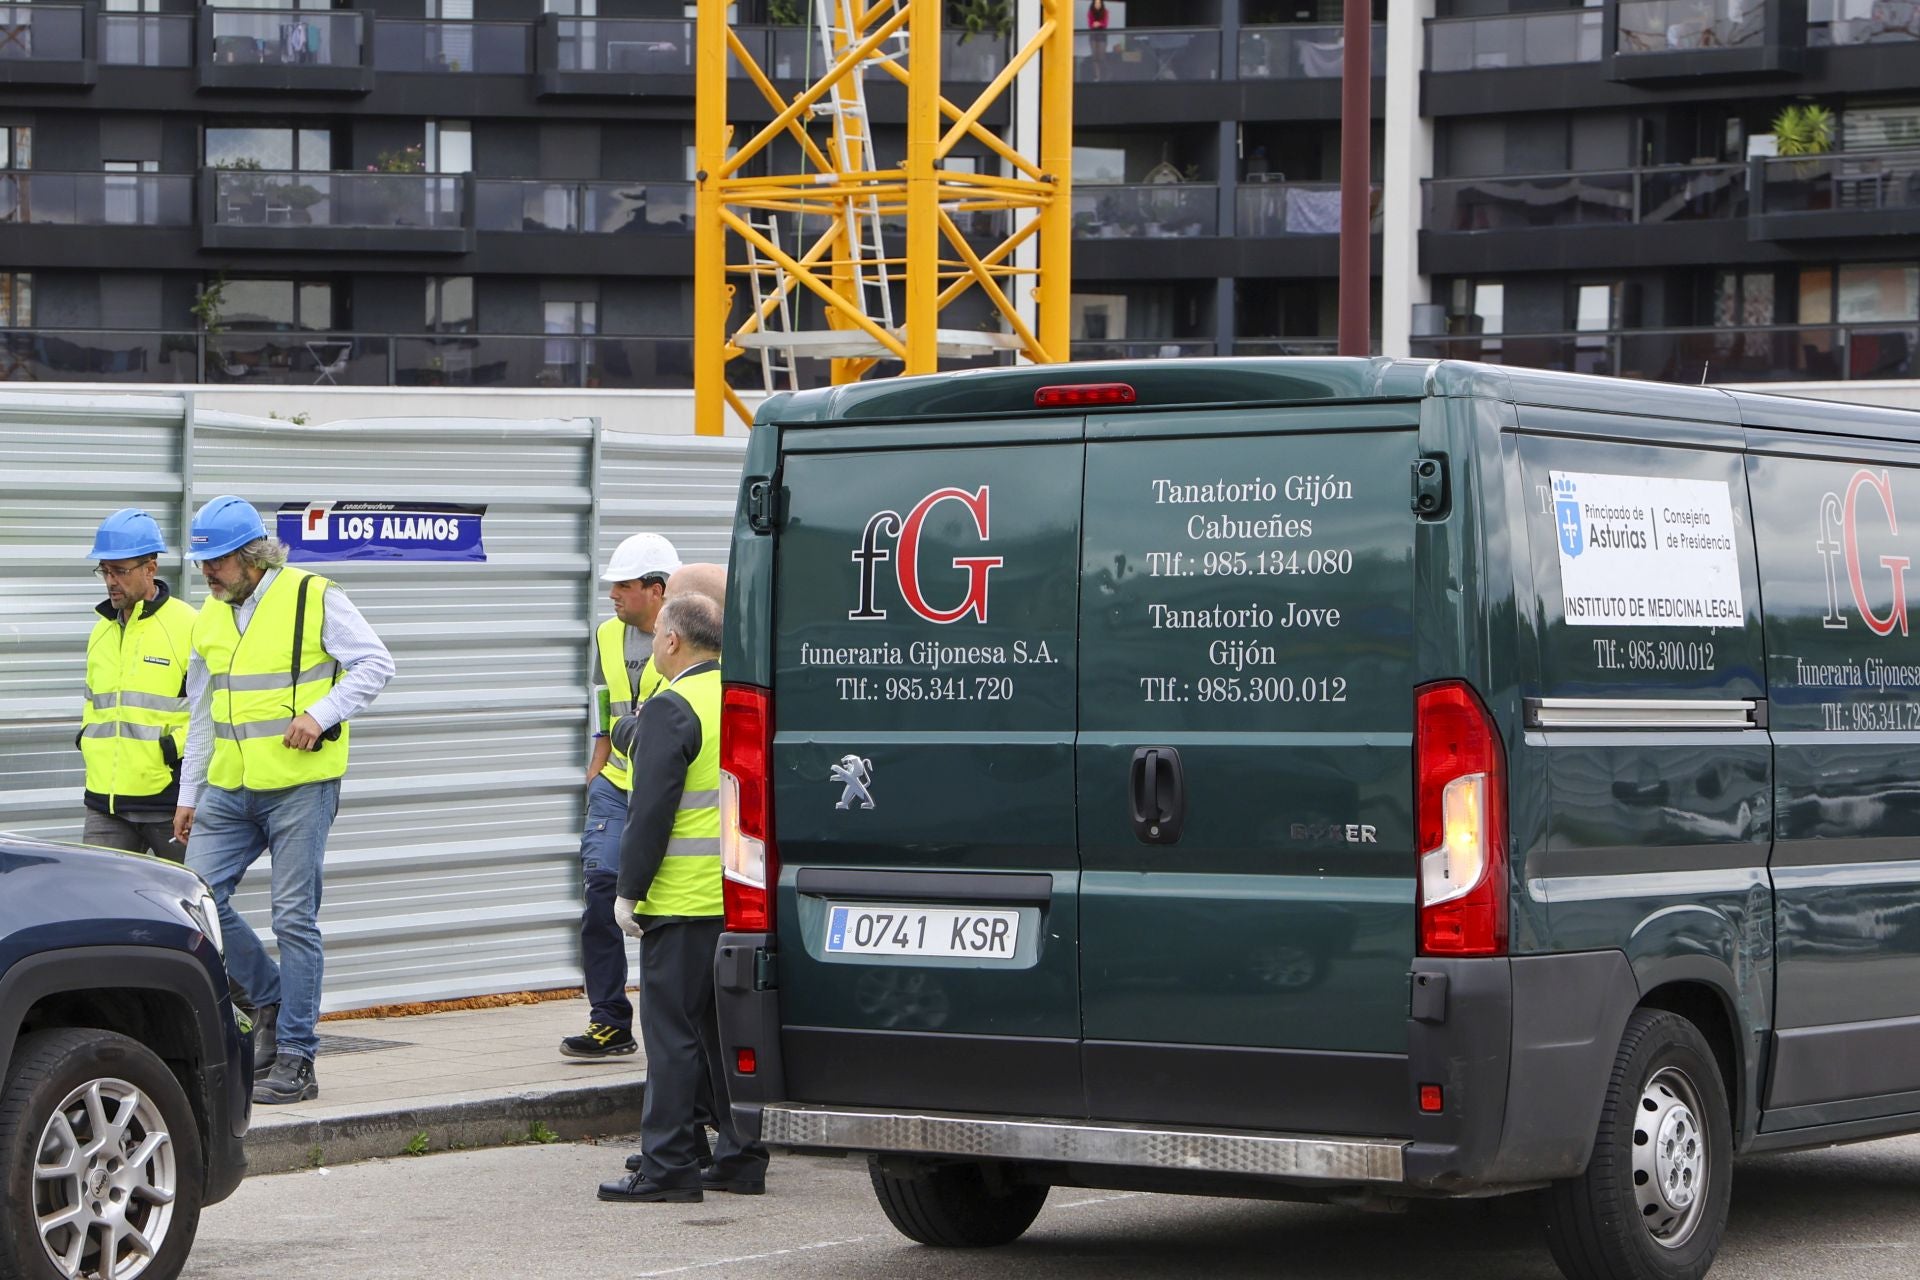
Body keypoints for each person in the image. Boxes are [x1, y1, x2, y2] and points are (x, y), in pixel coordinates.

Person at [172, 495, 395, 1106]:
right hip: (230, 787)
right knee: (196, 898)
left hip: (300, 785)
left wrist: (321, 714)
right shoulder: (209, 615)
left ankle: (298, 1056)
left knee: (294, 917)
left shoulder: (311, 595)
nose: (208, 573)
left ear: (254, 557)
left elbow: (375, 663)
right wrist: (190, 792)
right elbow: (200, 714)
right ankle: (269, 998)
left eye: (218, 561)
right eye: (202, 563)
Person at [598, 593, 768, 1203]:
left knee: (671, 1035)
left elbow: (650, 814)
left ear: (671, 640)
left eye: (656, 638)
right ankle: (741, 1157)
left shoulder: (674, 706)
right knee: (726, 1036)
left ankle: (667, 1165)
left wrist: (628, 892)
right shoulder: (738, 696)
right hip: (737, 899)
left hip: (681, 901)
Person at [561, 532, 682, 1059]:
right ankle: (609, 1021)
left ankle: (674, 1026)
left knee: (666, 908)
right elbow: (606, 698)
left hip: (668, 789)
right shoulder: (608, 635)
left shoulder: (695, 637)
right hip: (614, 783)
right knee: (601, 897)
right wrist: (597, 761)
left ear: (657, 589)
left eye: (624, 585)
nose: (612, 594)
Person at [78, 509, 197, 860]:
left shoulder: (189, 626)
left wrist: (173, 756)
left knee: (188, 892)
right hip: (105, 804)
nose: (110, 581)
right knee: (95, 892)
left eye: (120, 570)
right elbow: (94, 706)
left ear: (150, 568)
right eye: (105, 570)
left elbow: (213, 710)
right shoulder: (101, 631)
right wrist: (87, 740)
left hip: (168, 803)